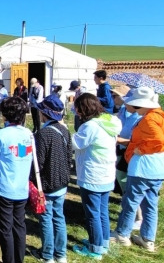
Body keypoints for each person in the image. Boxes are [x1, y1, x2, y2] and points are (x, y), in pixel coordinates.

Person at [111, 87, 164, 253]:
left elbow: (158, 139)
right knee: (150, 204)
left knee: (131, 202)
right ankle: (148, 239)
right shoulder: (162, 117)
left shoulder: (149, 119)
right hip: (158, 168)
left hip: (143, 168)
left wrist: (142, 149)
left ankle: (122, 234)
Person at [71, 93, 121, 259]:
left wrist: (65, 130)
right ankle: (103, 241)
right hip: (106, 174)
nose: (76, 111)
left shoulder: (90, 126)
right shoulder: (109, 121)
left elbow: (76, 143)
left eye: (77, 107)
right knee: (102, 211)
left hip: (93, 175)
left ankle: (95, 249)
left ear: (83, 108)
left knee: (92, 213)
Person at [30, 96, 73, 263]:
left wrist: (33, 181)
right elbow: (69, 156)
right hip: (61, 182)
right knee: (59, 217)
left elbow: (38, 162)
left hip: (47, 184)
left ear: (45, 114)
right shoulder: (65, 130)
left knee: (46, 219)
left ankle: (47, 254)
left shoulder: (43, 134)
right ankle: (61, 254)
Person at [0, 96, 33, 263]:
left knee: (5, 228)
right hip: (22, 187)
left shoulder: (1, 134)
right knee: (20, 225)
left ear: (6, 115)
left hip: (5, 188)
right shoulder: (29, 134)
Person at [111, 86, 143, 229]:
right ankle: (129, 210)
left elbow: (137, 141)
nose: (113, 98)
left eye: (115, 96)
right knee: (122, 180)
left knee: (131, 185)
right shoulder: (123, 111)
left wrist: (120, 140)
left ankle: (138, 216)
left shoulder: (139, 118)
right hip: (122, 151)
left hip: (131, 152)